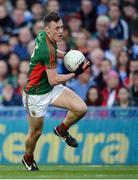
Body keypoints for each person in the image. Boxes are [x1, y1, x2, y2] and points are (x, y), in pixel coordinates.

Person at [22, 12, 89, 171]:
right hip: (35, 94)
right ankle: (28, 158)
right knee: (36, 133)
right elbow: (54, 79)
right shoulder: (47, 50)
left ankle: (61, 130)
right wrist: (76, 73)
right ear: (48, 30)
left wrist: (67, 56)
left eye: (61, 27)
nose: (60, 31)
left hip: (50, 88)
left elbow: (53, 59)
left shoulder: (44, 36)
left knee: (81, 109)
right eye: (56, 28)